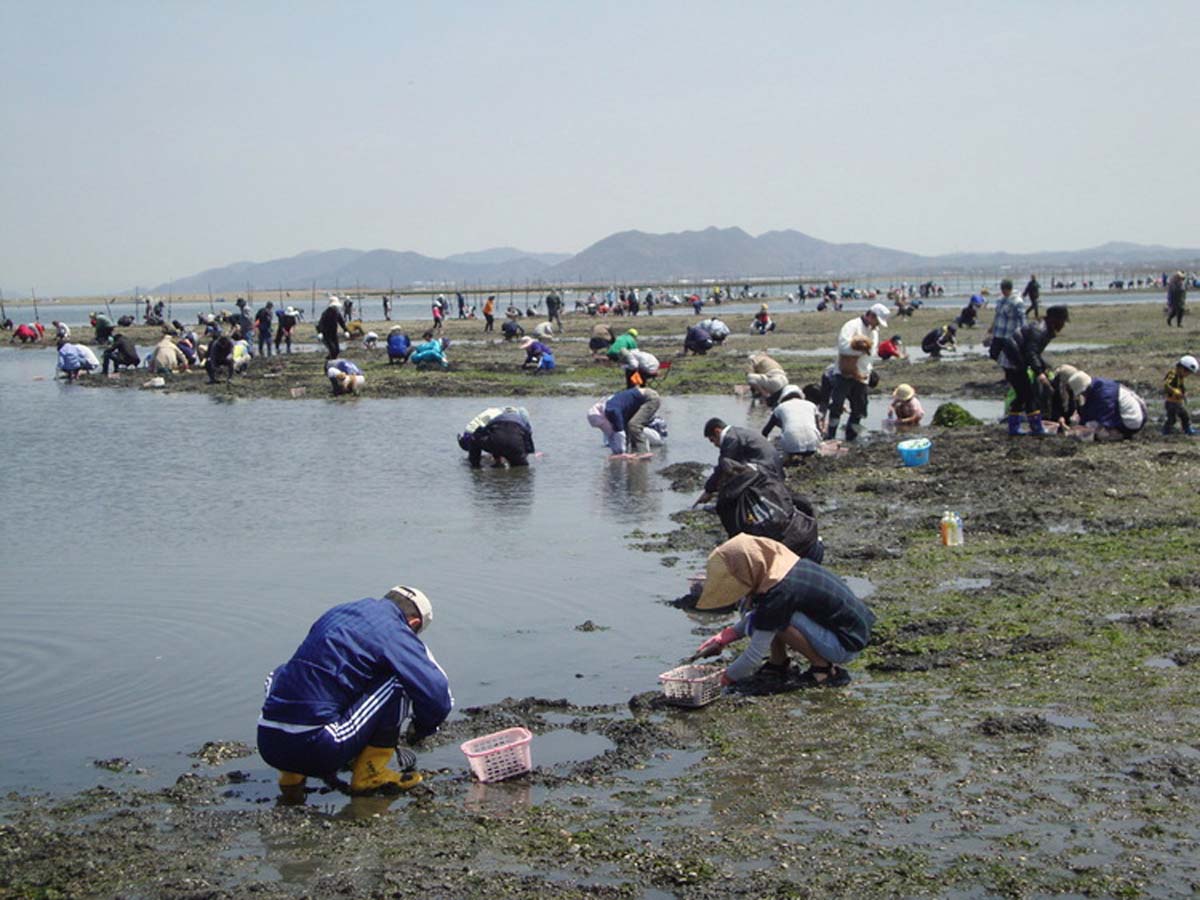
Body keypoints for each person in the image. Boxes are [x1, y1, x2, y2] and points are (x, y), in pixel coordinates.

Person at [257, 586, 451, 797]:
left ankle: (291, 776)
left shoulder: (339, 613)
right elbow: (436, 693)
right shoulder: (394, 630)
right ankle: (370, 774)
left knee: (287, 674)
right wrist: (422, 728)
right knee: (397, 682)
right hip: (316, 748)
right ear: (413, 623)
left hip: (269, 744)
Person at [691, 534, 875, 688]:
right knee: (770, 616)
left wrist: (722, 679)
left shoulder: (780, 591)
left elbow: (754, 655)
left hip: (844, 645)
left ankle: (823, 669)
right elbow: (761, 616)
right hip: (850, 632)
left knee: (777, 620)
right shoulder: (780, 568)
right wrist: (726, 636)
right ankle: (778, 663)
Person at [997, 305, 1069, 435]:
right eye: (1062, 321)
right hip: (1012, 360)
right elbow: (1031, 353)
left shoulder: (1045, 328)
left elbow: (1035, 354)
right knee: (1028, 395)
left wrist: (1043, 368)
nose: (1063, 325)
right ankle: (1035, 428)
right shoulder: (1039, 330)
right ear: (1054, 320)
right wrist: (1040, 374)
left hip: (1018, 359)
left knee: (1023, 395)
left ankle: (1016, 427)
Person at [827, 303, 888, 441]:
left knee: (860, 407)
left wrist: (869, 370)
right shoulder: (851, 325)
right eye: (876, 321)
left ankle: (851, 435)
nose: (876, 325)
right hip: (844, 373)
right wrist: (861, 348)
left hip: (862, 374)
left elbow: (872, 353)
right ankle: (830, 434)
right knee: (837, 404)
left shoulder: (874, 332)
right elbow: (843, 347)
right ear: (871, 315)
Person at [696, 417, 784, 503]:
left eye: (712, 440)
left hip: (767, 471)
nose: (714, 444)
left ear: (717, 431)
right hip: (772, 468)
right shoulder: (737, 433)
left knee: (726, 465)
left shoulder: (731, 439)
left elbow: (722, 467)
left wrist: (708, 490)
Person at [1070, 370, 1148, 440]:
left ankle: (1119, 435)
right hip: (1134, 415)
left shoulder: (1104, 394)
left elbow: (1104, 418)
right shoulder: (1099, 386)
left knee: (1097, 432)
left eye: (1082, 393)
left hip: (1130, 422)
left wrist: (1081, 427)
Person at [458, 407, 535, 467]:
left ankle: (475, 466)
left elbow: (479, 433)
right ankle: (500, 460)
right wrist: (523, 456)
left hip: (496, 441)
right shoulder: (523, 423)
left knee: (478, 438)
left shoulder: (494, 417)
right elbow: (528, 445)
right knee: (521, 468)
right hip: (515, 446)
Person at [594, 386, 661, 455]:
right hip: (640, 399)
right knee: (628, 427)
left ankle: (643, 452)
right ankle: (634, 452)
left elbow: (620, 432)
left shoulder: (612, 410)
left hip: (650, 398)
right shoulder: (610, 408)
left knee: (634, 425)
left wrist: (620, 452)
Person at [761, 385, 822, 458]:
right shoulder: (811, 405)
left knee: (776, 442)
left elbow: (765, 432)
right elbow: (819, 429)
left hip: (792, 445)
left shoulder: (780, 408)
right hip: (813, 444)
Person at [984, 278, 1025, 363]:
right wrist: (992, 327)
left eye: (1005, 290)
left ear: (1009, 289)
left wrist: (1023, 332)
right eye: (1002, 289)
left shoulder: (1017, 301)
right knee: (993, 353)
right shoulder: (1000, 300)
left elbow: (1022, 318)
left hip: (1009, 334)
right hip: (998, 332)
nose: (1003, 292)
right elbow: (997, 315)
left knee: (1011, 356)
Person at [1163, 354, 1198, 435]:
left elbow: (1181, 388)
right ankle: (1165, 432)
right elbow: (1166, 385)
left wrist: (1183, 394)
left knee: (1184, 416)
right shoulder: (1173, 374)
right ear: (1181, 368)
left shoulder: (1180, 377)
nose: (1187, 375)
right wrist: (1175, 391)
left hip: (1177, 402)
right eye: (1187, 372)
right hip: (1171, 402)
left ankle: (1187, 429)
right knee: (1171, 418)